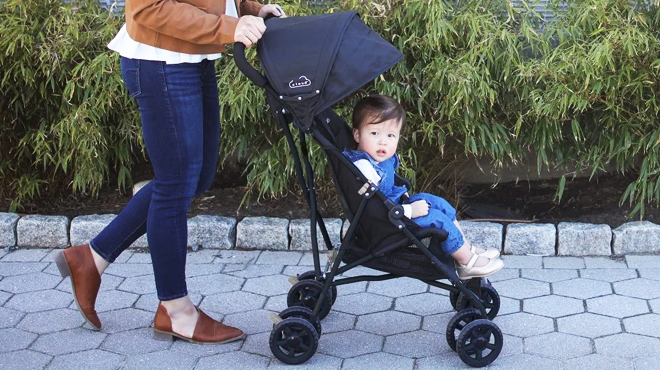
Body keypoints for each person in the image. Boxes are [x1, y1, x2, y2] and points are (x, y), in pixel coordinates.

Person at [54, 0, 286, 344]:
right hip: (160, 60)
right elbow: (148, 8)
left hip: (193, 55)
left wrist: (251, 9)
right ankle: (175, 310)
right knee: (176, 183)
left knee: (197, 176)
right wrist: (227, 27)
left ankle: (91, 257)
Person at [343, 95, 504, 279]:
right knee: (437, 219)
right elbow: (373, 209)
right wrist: (409, 211)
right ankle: (466, 262)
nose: (383, 141)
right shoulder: (363, 168)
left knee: (437, 203)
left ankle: (465, 247)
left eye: (390, 135)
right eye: (374, 133)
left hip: (394, 208)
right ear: (357, 134)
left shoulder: (376, 157)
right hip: (387, 222)